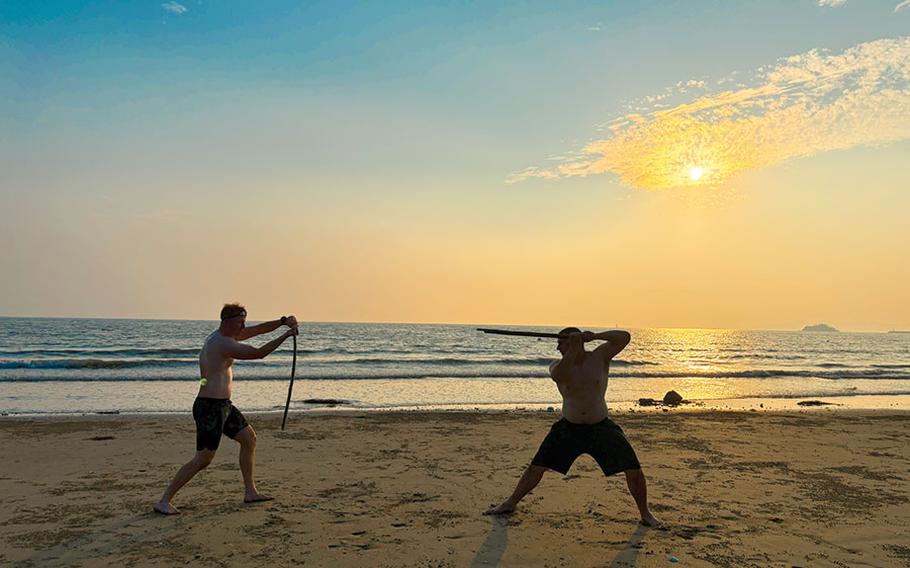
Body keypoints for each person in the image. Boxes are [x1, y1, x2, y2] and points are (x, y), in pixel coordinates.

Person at [485, 328, 660, 526]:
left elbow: (624, 337)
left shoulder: (600, 357)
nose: (557, 346)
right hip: (569, 428)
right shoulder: (557, 365)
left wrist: (594, 336)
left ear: (572, 341)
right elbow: (560, 376)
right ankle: (510, 503)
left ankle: (645, 513)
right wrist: (574, 349)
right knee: (537, 467)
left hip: (601, 427)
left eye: (561, 342)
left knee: (632, 467)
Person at [154, 303, 298, 515]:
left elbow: (257, 330)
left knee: (249, 439)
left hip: (224, 406)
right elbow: (258, 353)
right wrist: (286, 336)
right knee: (203, 460)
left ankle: (250, 492)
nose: (244, 326)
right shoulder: (221, 343)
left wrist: (282, 322)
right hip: (209, 407)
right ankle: (164, 501)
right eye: (240, 322)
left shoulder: (227, 336)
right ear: (227, 322)